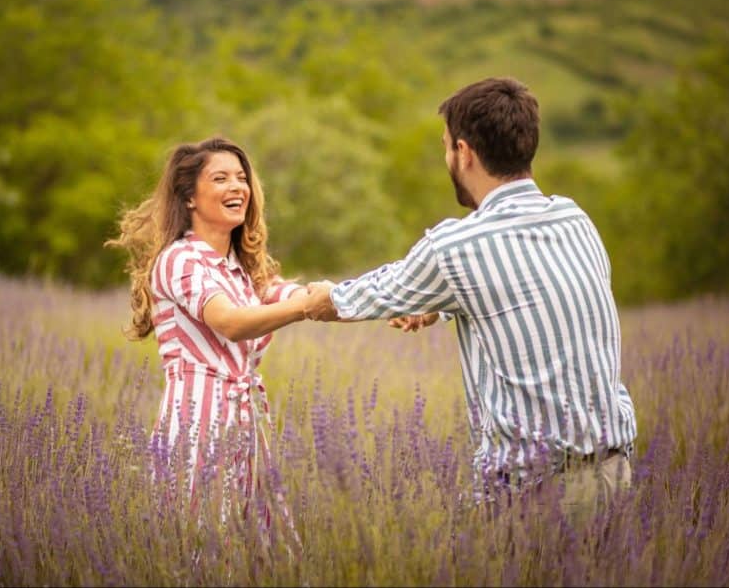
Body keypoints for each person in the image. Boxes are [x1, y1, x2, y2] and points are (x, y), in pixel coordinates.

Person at [303, 77, 637, 520]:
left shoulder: (457, 246)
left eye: (446, 147)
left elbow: (356, 300)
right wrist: (439, 305)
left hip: (537, 495)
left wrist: (317, 297)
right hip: (615, 475)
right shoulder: (574, 218)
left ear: (465, 153)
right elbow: (523, 286)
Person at [106, 136, 311, 514]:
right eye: (220, 179)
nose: (237, 187)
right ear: (189, 198)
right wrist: (308, 307)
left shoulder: (240, 270)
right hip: (195, 428)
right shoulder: (179, 260)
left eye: (241, 177)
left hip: (246, 426)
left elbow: (295, 293)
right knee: (202, 550)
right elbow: (230, 322)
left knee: (256, 556)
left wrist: (366, 300)